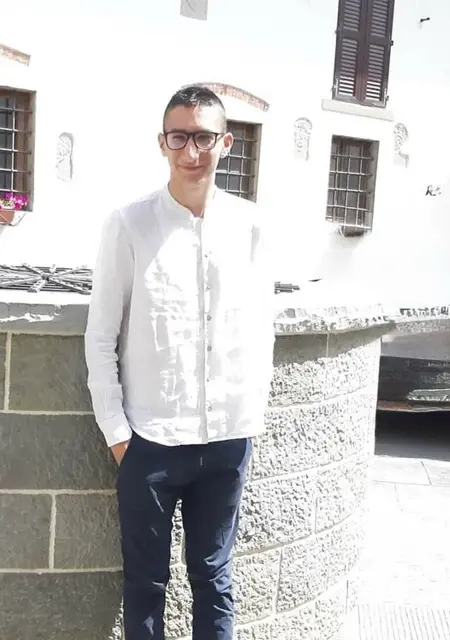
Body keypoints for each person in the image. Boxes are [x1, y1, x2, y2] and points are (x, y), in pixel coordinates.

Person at [84, 85, 275, 640]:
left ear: (226, 143)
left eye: (204, 138)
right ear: (162, 143)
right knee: (146, 583)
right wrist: (119, 435)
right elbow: (101, 335)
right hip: (151, 441)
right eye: (179, 137)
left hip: (227, 440)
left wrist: (251, 414)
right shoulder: (129, 224)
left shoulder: (250, 226)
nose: (192, 152)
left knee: (215, 578)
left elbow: (260, 328)